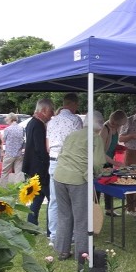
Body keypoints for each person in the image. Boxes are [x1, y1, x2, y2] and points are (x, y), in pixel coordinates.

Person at [54, 111, 106, 261]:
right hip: (77, 179)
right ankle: (82, 254)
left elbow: (62, 153)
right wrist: (97, 173)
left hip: (59, 176)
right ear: (100, 124)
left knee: (64, 215)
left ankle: (63, 251)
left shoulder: (73, 134)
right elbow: (97, 163)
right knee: (82, 218)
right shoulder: (96, 138)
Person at [46, 93, 83, 246]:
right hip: (70, 162)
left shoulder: (51, 122)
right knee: (73, 200)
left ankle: (54, 235)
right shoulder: (76, 120)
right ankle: (72, 235)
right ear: (74, 104)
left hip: (53, 161)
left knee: (55, 200)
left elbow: (47, 146)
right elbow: (79, 143)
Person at [22, 98, 55, 232]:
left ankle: (31, 227)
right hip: (40, 168)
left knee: (37, 198)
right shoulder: (38, 125)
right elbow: (39, 149)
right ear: (43, 110)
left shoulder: (32, 123)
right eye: (51, 111)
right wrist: (48, 162)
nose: (52, 114)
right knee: (52, 199)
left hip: (32, 167)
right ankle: (50, 230)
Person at [98, 110, 127, 216]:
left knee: (109, 184)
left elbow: (113, 143)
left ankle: (109, 209)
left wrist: (119, 148)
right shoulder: (105, 129)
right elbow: (100, 152)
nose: (120, 127)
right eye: (120, 125)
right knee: (98, 186)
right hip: (101, 161)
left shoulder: (116, 128)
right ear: (115, 122)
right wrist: (116, 162)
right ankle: (94, 211)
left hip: (109, 161)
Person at [0, 113, 25, 187]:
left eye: (7, 119)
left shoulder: (7, 129)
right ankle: (18, 187)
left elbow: (4, 139)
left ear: (10, 119)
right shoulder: (21, 128)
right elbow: (23, 139)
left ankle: (3, 187)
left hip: (9, 153)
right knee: (18, 172)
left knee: (5, 171)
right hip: (19, 153)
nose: (6, 121)